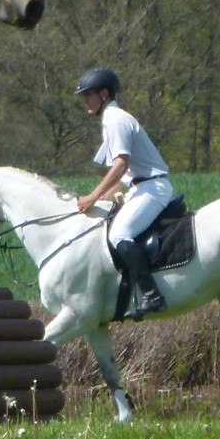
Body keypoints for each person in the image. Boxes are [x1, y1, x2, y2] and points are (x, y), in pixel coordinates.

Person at [74, 67, 173, 320]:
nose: (85, 100)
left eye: (88, 94)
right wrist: (105, 196)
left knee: (119, 234)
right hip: (140, 186)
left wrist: (93, 196)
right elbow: (124, 175)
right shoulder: (111, 120)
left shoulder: (116, 120)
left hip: (153, 188)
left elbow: (120, 165)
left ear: (104, 94)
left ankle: (152, 295)